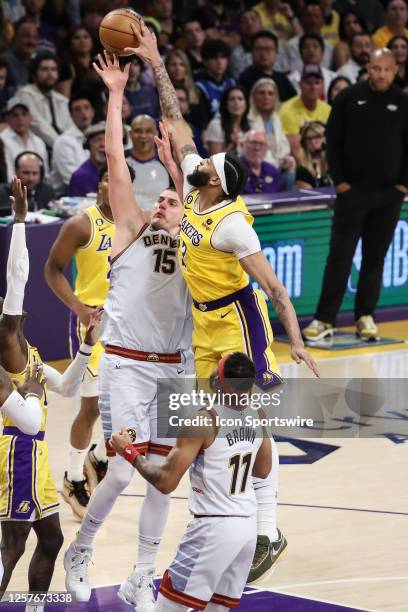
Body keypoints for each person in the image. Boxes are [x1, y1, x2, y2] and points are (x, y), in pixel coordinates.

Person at [125, 20, 319, 584]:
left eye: (209, 161)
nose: (200, 158)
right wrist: (157, 60)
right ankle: (231, 513)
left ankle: (266, 527)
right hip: (205, 324)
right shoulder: (195, 181)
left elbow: (275, 289)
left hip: (239, 322)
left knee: (252, 420)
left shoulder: (234, 225)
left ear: (217, 181)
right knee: (219, 421)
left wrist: (298, 341)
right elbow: (177, 120)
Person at [64, 52, 192, 608]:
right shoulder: (132, 227)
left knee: (164, 473)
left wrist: (179, 165)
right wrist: (116, 92)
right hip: (127, 362)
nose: (163, 201)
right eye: (159, 196)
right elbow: (115, 157)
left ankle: (143, 572)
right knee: (118, 472)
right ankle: (82, 548)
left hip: (176, 368)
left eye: (172, 198)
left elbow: (196, 186)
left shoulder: (195, 239)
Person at [0, 176, 101, 610]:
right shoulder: (7, 340)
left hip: (36, 453)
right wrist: (21, 222)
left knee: (53, 538)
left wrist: (85, 347)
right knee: (13, 545)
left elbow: (66, 387)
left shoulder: (29, 352)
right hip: (18, 449)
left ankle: (37, 607)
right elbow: (18, 276)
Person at [110, 351, 272, 612]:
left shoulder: (204, 420)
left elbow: (165, 482)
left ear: (219, 382)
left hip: (212, 528)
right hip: (246, 532)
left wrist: (129, 452)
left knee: (166, 608)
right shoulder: (258, 414)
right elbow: (263, 470)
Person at [45, 164, 135, 519]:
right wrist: (79, 308)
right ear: (99, 185)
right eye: (108, 177)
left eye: (120, 179)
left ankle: (98, 457)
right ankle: (71, 479)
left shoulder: (137, 221)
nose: (113, 185)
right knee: (91, 407)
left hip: (129, 325)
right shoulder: (82, 224)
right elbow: (52, 269)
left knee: (139, 401)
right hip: (92, 324)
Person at [303, 49, 408, 341]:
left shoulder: (402, 102)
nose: (381, 74)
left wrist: (403, 185)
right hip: (353, 194)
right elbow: (333, 143)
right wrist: (341, 182)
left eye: (386, 69)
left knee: (375, 257)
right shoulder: (349, 97)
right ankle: (324, 319)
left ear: (395, 70)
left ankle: (366, 316)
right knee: (339, 256)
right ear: (368, 68)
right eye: (375, 68)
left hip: (389, 195)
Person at [18, 51, 73, 149]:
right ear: (34, 75)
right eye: (44, 69)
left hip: (63, 147)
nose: (50, 73)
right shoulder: (25, 94)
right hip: (38, 147)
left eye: (53, 69)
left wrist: (74, 146)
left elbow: (70, 127)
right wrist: (63, 147)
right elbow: (37, 125)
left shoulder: (60, 99)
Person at [279, 64, 331, 162]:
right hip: (300, 165)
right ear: (300, 84)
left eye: (317, 83)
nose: (313, 87)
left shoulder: (328, 110)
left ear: (323, 85)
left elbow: (333, 144)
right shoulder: (287, 110)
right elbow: (295, 150)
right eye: (308, 83)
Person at [50, 94, 95, 197]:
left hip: (94, 191)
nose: (83, 112)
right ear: (71, 115)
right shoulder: (63, 141)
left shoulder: (100, 137)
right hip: (64, 196)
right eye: (77, 109)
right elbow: (71, 178)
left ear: (93, 112)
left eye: (86, 108)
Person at [125, 114, 170, 209]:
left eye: (148, 131)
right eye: (138, 131)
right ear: (130, 134)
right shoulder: (119, 161)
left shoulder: (168, 163)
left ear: (156, 134)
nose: (143, 135)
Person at [275, 1, 334, 73]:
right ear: (301, 20)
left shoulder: (329, 48)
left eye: (317, 17)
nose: (313, 21)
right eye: (309, 16)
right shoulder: (290, 46)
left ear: (323, 21)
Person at [248, 78, 293, 170]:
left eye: (270, 93)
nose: (266, 97)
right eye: (261, 93)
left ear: (276, 98)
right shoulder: (247, 120)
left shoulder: (277, 119)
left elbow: (284, 148)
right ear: (253, 97)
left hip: (278, 167)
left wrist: (286, 160)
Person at [238, 30, 296, 101]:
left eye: (268, 49)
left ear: (276, 53)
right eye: (259, 49)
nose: (263, 54)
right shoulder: (245, 79)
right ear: (252, 52)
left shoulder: (282, 79)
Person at [0, 96, 48, 182]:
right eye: (15, 115)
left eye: (24, 114)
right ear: (7, 118)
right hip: (12, 190)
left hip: (37, 190)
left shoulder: (39, 142)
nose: (20, 118)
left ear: (30, 118)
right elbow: (8, 177)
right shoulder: (2, 141)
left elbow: (44, 174)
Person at [195, 39, 235, 122]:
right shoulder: (200, 87)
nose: (219, 62)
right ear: (205, 62)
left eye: (222, 57)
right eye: (214, 58)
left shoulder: (232, 83)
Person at [288, 34, 336, 100]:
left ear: (323, 53)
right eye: (306, 47)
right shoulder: (291, 79)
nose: (311, 50)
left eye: (315, 46)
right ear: (300, 54)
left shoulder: (334, 77)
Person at [206, 85, 250, 156]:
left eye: (240, 99)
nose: (236, 102)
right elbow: (214, 162)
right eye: (232, 99)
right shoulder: (215, 125)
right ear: (225, 104)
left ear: (246, 104)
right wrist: (232, 146)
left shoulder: (252, 125)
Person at [241, 129, 286, 194]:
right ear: (242, 145)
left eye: (262, 144)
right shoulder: (234, 170)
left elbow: (281, 197)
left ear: (267, 148)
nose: (257, 148)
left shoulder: (272, 171)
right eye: (253, 143)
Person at [68, 121, 106, 197]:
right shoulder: (80, 177)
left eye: (107, 140)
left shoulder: (123, 172)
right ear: (88, 146)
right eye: (97, 140)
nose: (103, 144)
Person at [0, 20, 38, 88]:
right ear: (16, 38)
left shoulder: (36, 62)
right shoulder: (4, 61)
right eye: (27, 36)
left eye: (35, 38)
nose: (31, 41)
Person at [296, 121, 332, 189]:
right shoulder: (303, 170)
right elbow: (308, 197)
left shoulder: (336, 163)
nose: (313, 142)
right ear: (304, 143)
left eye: (317, 137)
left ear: (326, 138)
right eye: (309, 139)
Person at [229, 9, 263, 81]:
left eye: (253, 19)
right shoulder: (236, 54)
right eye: (244, 21)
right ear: (239, 27)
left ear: (261, 23)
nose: (249, 23)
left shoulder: (272, 45)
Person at [124, 56, 161, 120]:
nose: (132, 69)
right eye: (127, 65)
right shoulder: (118, 94)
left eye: (136, 64)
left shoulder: (150, 90)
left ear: (140, 68)